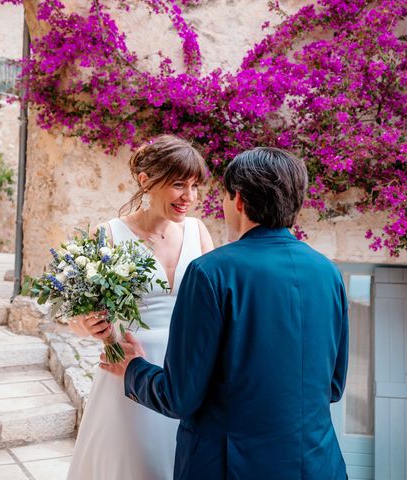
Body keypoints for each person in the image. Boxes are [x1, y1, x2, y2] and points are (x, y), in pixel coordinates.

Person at [102, 147, 349, 479]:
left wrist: (132, 368)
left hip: (229, 466)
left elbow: (179, 397)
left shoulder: (210, 273)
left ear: (239, 201)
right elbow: (333, 386)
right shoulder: (328, 274)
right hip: (319, 465)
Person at [65, 135, 215, 480]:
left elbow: (215, 309)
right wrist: (88, 325)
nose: (189, 197)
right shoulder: (109, 234)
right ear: (146, 180)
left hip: (185, 378)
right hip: (130, 374)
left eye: (194, 186)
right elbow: (73, 312)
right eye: (179, 184)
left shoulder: (198, 231)